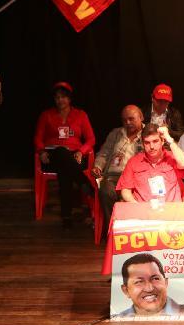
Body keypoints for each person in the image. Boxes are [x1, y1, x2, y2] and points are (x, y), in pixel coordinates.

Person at [34, 82, 96, 227]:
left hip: (75, 156)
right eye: (57, 98)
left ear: (69, 99)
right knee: (61, 152)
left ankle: (66, 216)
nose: (60, 100)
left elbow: (91, 139)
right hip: (51, 156)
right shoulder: (46, 115)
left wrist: (81, 151)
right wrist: (42, 151)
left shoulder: (80, 115)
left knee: (65, 169)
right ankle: (83, 183)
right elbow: (37, 137)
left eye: (63, 97)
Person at [93, 105, 145, 224]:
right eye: (124, 120)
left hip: (135, 178)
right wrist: (98, 166)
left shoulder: (147, 134)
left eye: (131, 119)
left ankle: (129, 228)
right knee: (105, 191)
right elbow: (103, 153)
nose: (127, 122)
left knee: (135, 195)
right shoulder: (116, 133)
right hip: (113, 177)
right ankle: (112, 228)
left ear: (141, 117)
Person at [117, 124, 184, 203]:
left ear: (162, 141)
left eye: (155, 141)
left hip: (172, 210)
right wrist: (136, 206)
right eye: (147, 143)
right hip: (143, 211)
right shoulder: (134, 162)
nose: (151, 146)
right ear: (143, 144)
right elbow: (125, 191)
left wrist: (168, 138)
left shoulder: (172, 157)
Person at [115, 253, 184, 318]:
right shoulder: (117, 320)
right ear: (126, 291)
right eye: (139, 282)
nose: (149, 289)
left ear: (166, 283)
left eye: (155, 279)